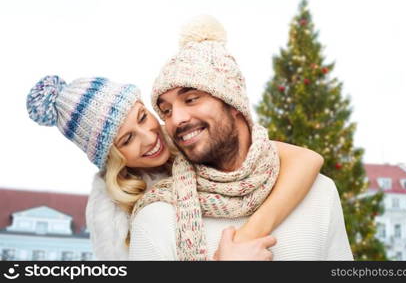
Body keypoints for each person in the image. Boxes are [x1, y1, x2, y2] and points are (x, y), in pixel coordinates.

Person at [26, 75, 325, 260]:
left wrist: (248, 235)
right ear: (111, 157)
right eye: (128, 139)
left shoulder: (189, 138)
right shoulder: (115, 217)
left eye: (143, 117)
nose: (150, 138)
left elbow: (307, 159)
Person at [129, 15, 353, 260]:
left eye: (191, 99)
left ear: (233, 103)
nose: (176, 119)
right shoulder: (156, 216)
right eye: (166, 111)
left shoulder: (319, 193)